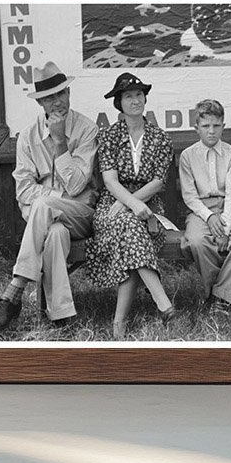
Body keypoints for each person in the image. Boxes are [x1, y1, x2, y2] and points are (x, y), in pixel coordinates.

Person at [0, 61, 97, 333]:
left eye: (61, 93)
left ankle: (14, 291)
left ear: (69, 93)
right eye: (49, 97)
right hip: (48, 221)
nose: (58, 102)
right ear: (40, 103)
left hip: (81, 216)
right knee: (54, 232)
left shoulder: (86, 129)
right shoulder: (27, 137)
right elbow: (23, 190)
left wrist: (60, 142)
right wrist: (57, 198)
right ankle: (60, 315)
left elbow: (77, 185)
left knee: (43, 205)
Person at [84, 72, 176, 340]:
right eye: (128, 96)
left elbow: (158, 182)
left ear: (145, 99)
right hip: (111, 204)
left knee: (129, 232)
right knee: (130, 226)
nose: (135, 101)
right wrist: (130, 204)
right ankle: (163, 304)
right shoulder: (109, 136)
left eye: (139, 95)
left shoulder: (160, 138)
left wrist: (133, 205)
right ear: (119, 103)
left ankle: (119, 324)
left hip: (148, 204)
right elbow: (110, 181)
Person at [179, 99, 231, 310]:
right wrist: (209, 216)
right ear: (196, 128)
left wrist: (225, 229)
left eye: (216, 125)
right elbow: (190, 196)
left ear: (223, 126)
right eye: (206, 126)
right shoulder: (188, 156)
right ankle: (215, 292)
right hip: (200, 210)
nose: (211, 131)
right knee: (197, 241)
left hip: (228, 207)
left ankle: (220, 296)